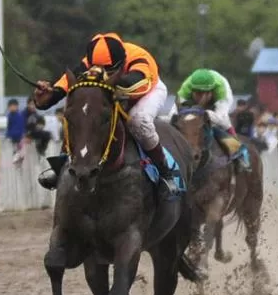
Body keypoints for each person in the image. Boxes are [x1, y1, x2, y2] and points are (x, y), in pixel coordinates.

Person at [32, 33, 177, 196]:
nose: (100, 72)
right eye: (97, 68)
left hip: (147, 91)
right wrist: (49, 96)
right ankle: (61, 165)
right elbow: (66, 83)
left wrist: (101, 86)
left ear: (121, 62)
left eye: (109, 70)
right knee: (81, 115)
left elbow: (136, 82)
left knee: (138, 121)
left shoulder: (139, 58)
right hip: (113, 92)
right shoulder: (90, 61)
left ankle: (165, 172)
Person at [173, 68, 250, 170]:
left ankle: (239, 150)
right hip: (195, 96)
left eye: (203, 93)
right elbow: (173, 114)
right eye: (197, 93)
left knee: (223, 122)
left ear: (211, 92)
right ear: (192, 90)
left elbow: (220, 118)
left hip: (219, 99)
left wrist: (205, 113)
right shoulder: (185, 89)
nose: (199, 98)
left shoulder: (221, 91)